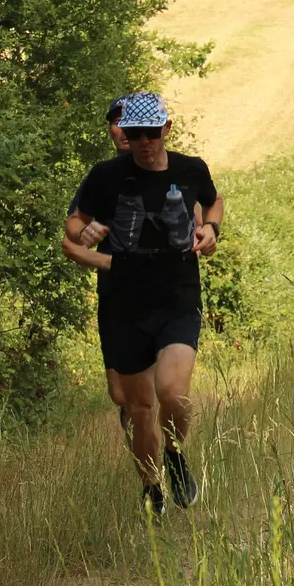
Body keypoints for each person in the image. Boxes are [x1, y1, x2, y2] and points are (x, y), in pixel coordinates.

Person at [65, 91, 223, 518]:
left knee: (173, 392)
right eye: (135, 134)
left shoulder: (192, 169)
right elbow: (74, 224)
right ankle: (152, 486)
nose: (144, 142)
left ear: (166, 129)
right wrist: (87, 233)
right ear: (125, 135)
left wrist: (210, 229)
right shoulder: (106, 175)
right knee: (138, 408)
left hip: (177, 297)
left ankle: (175, 453)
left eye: (152, 133)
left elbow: (214, 201)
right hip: (124, 305)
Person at [63, 96, 131, 430]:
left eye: (131, 121)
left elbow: (206, 205)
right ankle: (150, 474)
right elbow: (71, 236)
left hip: (166, 295)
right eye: (116, 121)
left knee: (164, 386)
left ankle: (172, 459)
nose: (124, 129)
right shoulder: (101, 177)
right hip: (116, 296)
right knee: (121, 394)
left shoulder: (176, 170)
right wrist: (102, 258)